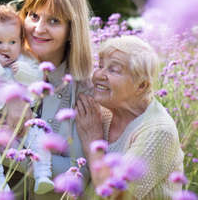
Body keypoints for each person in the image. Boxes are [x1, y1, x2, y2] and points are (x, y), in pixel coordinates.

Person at [5, 0, 94, 200]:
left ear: (72, 30)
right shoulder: (1, 67)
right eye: (33, 16)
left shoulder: (84, 89)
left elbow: (77, 173)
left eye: (54, 21)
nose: (38, 28)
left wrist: (5, 151)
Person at [76, 35, 184, 199]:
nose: (98, 75)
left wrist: (93, 142)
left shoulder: (158, 131)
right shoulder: (105, 110)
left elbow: (114, 195)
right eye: (100, 66)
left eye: (114, 70)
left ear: (141, 85)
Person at [0, 4, 54, 194]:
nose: (5, 48)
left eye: (12, 42)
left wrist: (23, 72)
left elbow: (39, 80)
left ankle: (42, 174)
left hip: (24, 120)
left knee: (39, 137)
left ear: (20, 42)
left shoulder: (25, 60)